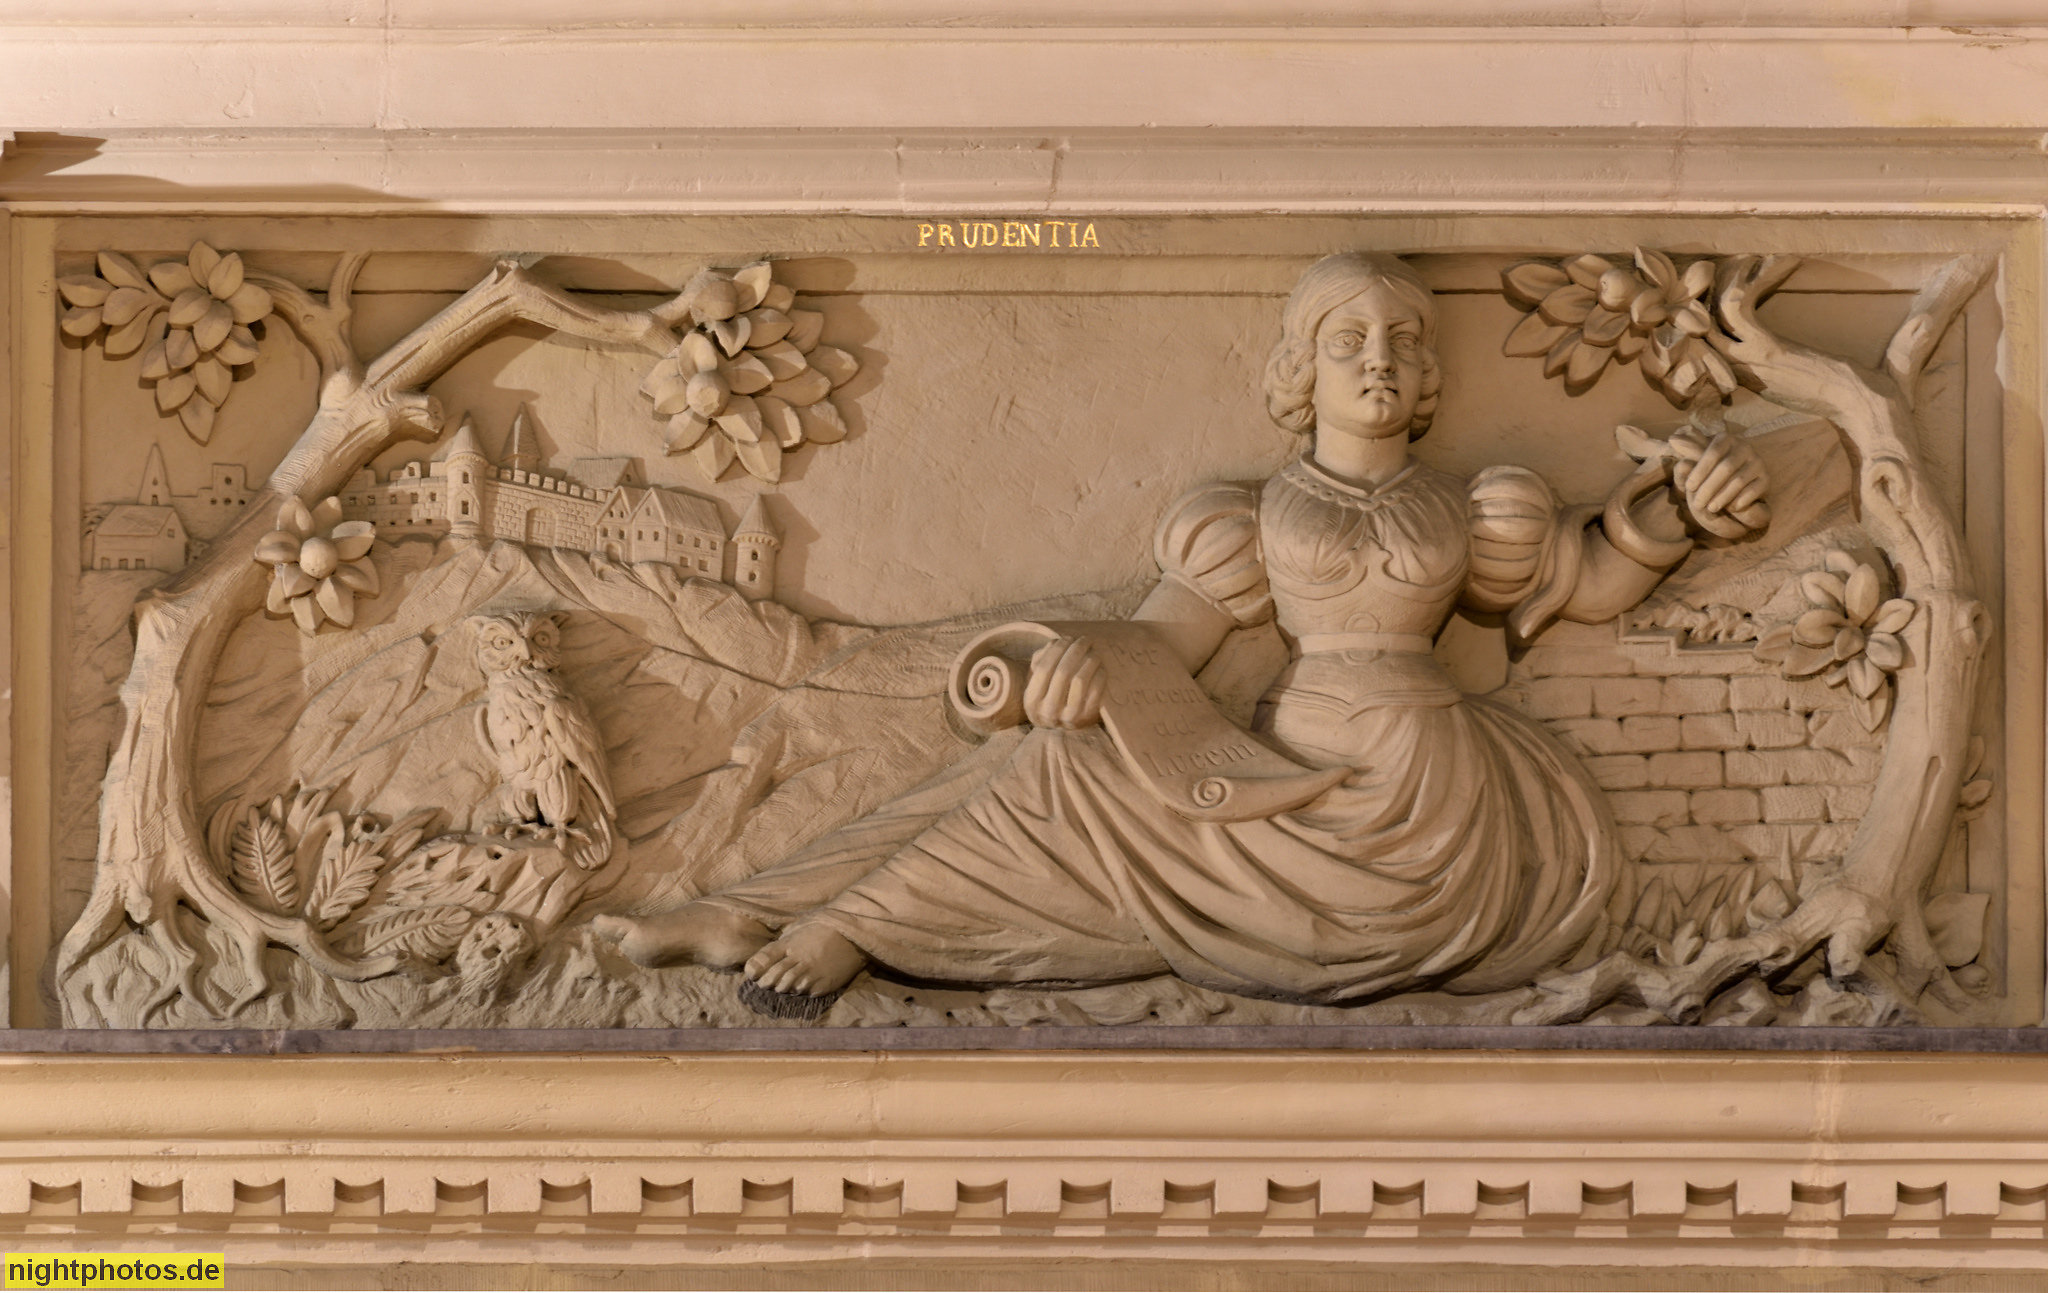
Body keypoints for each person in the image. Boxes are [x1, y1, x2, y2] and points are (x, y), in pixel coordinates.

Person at [597, 252, 1769, 1007]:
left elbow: (1587, 577)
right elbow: (1162, 644)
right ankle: (770, 908)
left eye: (1404, 343)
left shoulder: (1473, 506)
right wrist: (1063, 667)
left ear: (1426, 380)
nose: (1380, 360)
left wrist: (1677, 513)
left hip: (1428, 813)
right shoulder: (1249, 517)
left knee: (1058, 778)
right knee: (1055, 755)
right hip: (1284, 776)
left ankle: (845, 923)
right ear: (1300, 368)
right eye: (1348, 340)